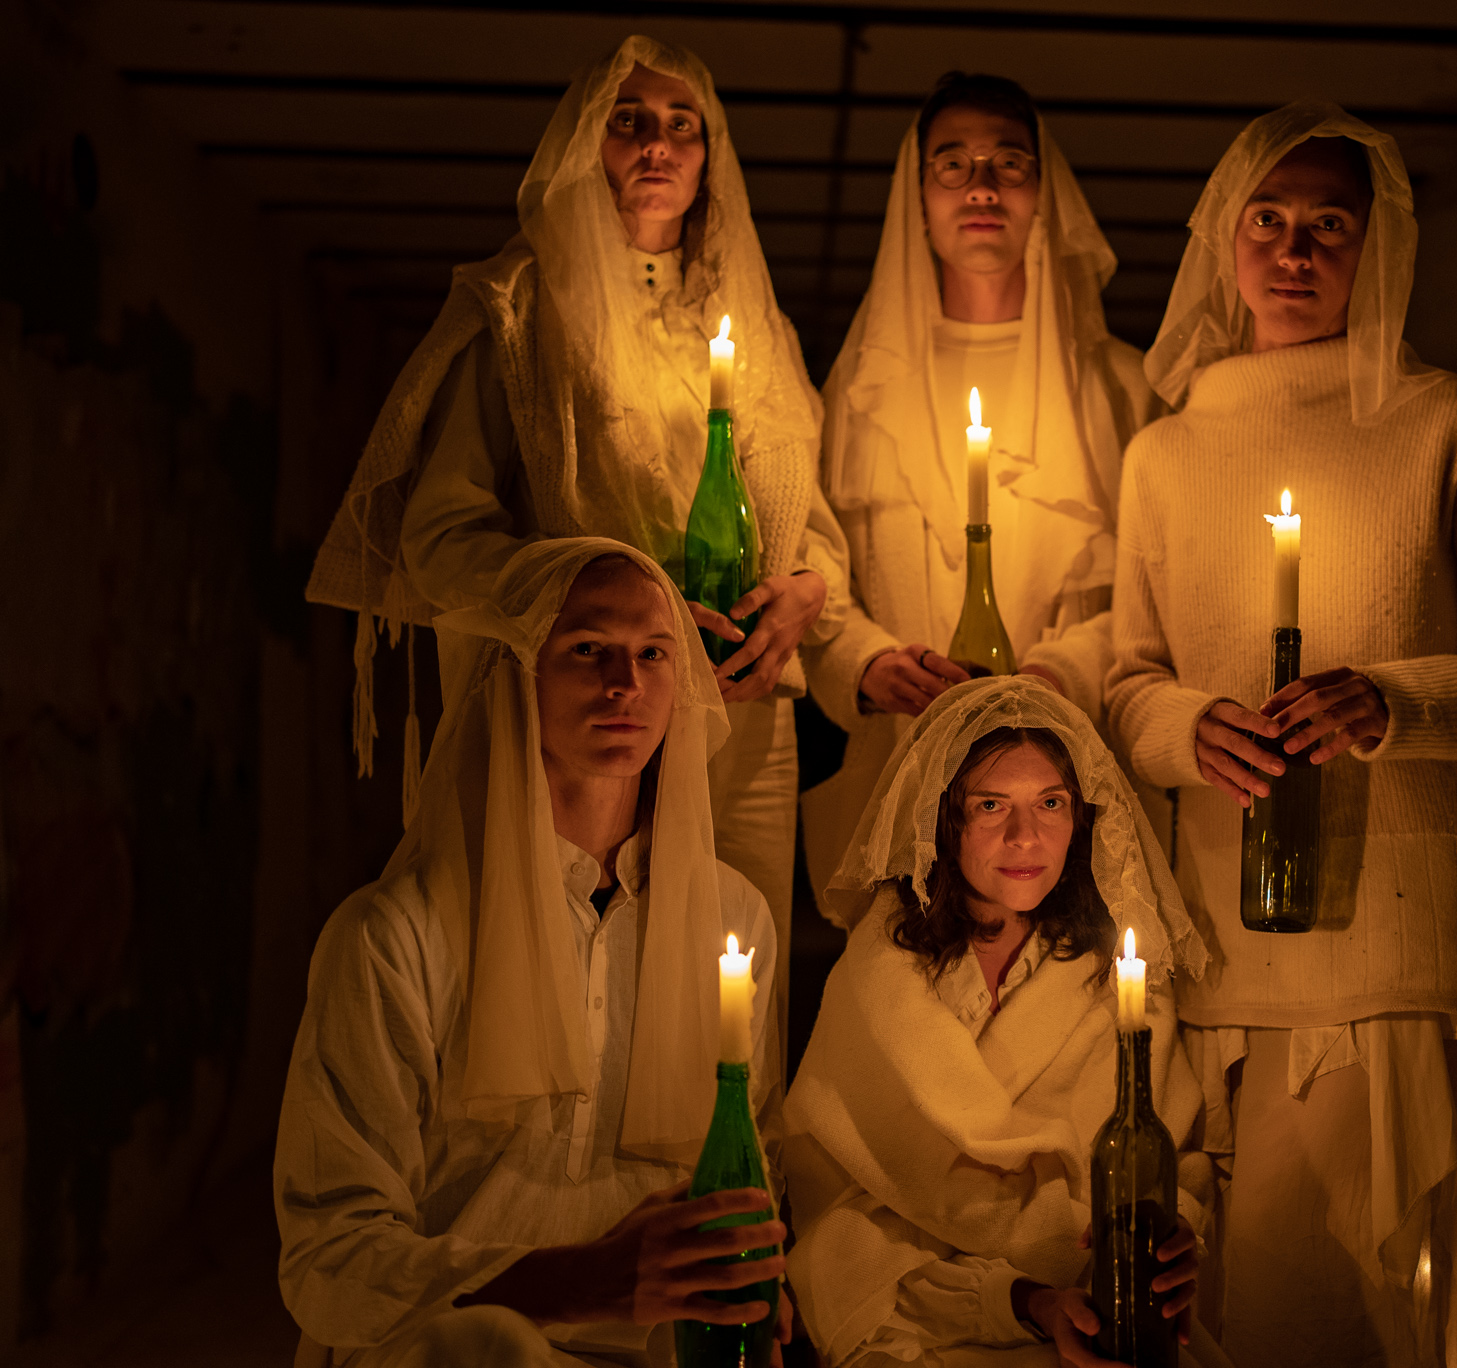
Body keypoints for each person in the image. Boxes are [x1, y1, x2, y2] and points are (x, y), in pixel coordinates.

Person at [1106, 102, 1457, 1367]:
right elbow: (1124, 680)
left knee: (1394, 1307)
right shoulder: (1160, 455)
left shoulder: (1441, 421)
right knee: (1247, 1291)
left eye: (1329, 225)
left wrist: (1395, 699)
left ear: (1377, 249)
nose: (1294, 251)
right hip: (1228, 940)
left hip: (1407, 941)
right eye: (1265, 221)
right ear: (1222, 243)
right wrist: (1187, 730)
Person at [305, 35, 847, 1042]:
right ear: (581, 142)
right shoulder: (522, 313)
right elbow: (440, 535)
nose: (657, 145)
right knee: (586, 986)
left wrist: (806, 592)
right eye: (629, 120)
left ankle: (728, 1191)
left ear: (712, 157)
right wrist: (599, 596)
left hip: (744, 714)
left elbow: (804, 521)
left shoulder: (758, 331)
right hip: (591, 707)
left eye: (685, 126)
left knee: (730, 986)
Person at [276, 540, 790, 1368]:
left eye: (654, 654)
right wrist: (575, 1282)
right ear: (515, 672)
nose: (625, 684)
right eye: (588, 649)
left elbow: (743, 1168)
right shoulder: (397, 936)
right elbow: (328, 1260)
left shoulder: (736, 922)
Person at [783, 678, 1222, 1367]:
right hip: (915, 1323)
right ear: (942, 818)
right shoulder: (878, 977)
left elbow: (1172, 1167)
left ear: (1083, 818)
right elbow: (843, 1225)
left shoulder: (1121, 977)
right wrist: (1022, 1299)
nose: (1026, 837)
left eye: (1052, 803)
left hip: (1097, 1311)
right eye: (991, 806)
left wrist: (1170, 1244)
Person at [799, 73, 1162, 900]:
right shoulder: (859, 392)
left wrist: (1062, 672)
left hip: (1075, 782)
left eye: (1009, 162)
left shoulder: (1122, 391)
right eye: (952, 164)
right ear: (917, 197)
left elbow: (1162, 592)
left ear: (1046, 193)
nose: (983, 186)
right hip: (904, 771)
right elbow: (816, 570)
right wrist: (869, 661)